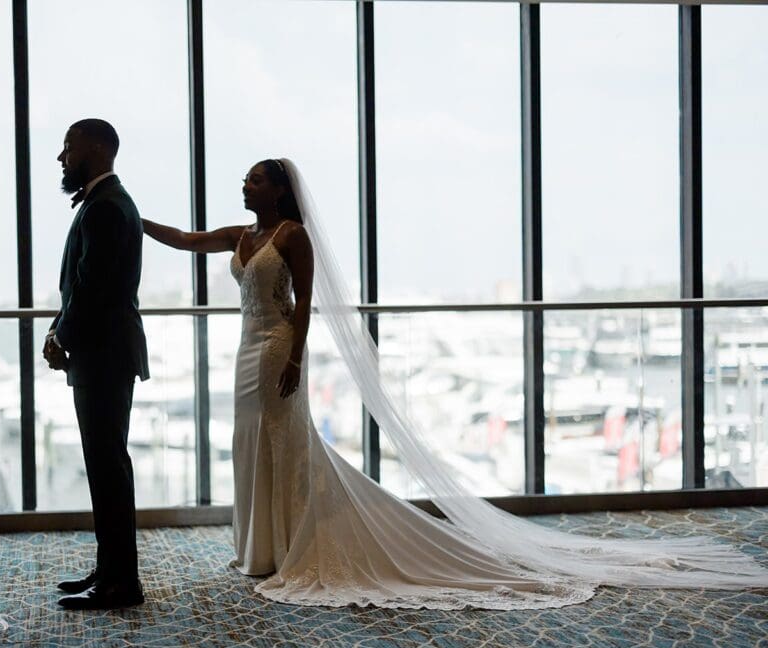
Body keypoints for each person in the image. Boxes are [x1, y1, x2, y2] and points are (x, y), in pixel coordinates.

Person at [141, 158, 768, 609]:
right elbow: (184, 239)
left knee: (285, 442)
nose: (245, 184)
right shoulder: (241, 235)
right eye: (246, 178)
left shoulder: (291, 236)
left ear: (279, 190)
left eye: (255, 178)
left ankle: (288, 544)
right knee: (250, 441)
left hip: (279, 346)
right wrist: (133, 221)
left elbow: (305, 305)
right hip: (245, 350)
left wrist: (298, 359)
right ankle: (260, 547)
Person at [44, 118, 150, 610]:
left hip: (104, 355)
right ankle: (111, 569)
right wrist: (59, 329)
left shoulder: (106, 207)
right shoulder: (105, 202)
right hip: (104, 353)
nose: (61, 157)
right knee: (106, 466)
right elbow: (82, 285)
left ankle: (121, 583)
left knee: (108, 468)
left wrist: (60, 336)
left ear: (97, 148)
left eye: (68, 147)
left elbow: (92, 289)